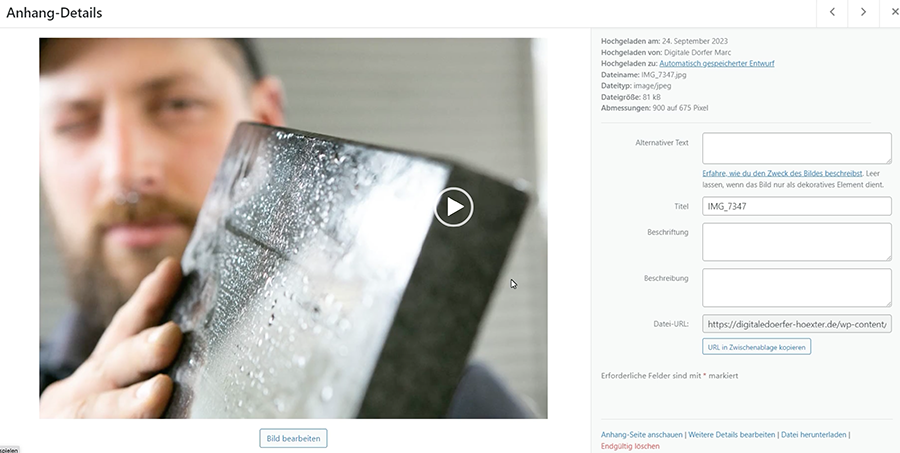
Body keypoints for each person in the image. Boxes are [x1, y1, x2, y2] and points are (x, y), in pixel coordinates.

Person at [39, 38, 532, 418]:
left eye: (178, 105)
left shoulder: (455, 409)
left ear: (265, 117)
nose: (124, 171)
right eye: (72, 123)